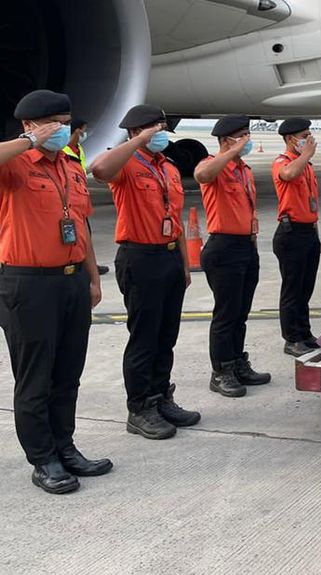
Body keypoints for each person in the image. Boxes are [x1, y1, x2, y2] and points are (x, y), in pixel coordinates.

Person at [0, 89, 110, 494]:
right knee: (35, 378)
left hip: (71, 281)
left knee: (68, 374)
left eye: (66, 123)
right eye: (55, 123)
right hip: (27, 283)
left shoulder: (71, 166)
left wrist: (92, 277)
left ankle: (65, 447)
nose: (64, 130)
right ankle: (43, 458)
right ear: (30, 125)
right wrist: (30, 141)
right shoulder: (15, 165)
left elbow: (79, 224)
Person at [90, 104, 200, 439]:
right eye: (156, 129)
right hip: (139, 258)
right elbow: (99, 169)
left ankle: (160, 395)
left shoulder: (166, 166)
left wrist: (183, 263)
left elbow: (176, 218)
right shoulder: (126, 163)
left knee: (166, 335)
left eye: (164, 128)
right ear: (137, 132)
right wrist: (138, 142)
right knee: (144, 337)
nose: (162, 135)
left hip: (167, 257)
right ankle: (139, 407)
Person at [194, 114, 272, 398]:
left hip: (246, 247)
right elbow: (202, 176)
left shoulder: (244, 171)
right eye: (242, 136)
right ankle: (221, 370)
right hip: (223, 247)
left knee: (240, 312)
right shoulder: (213, 166)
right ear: (227, 140)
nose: (248, 140)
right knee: (226, 314)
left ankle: (238, 361)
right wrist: (230, 153)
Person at [271, 118, 321, 357]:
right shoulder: (284, 162)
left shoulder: (307, 165)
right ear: (291, 139)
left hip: (309, 231)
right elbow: (288, 174)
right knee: (292, 289)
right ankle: (291, 338)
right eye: (304, 135)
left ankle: (304, 332)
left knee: (305, 287)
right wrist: (306, 154)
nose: (308, 139)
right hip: (291, 233)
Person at [63, 118, 111, 276]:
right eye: (83, 130)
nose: (84, 133)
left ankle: (88, 264)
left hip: (80, 197)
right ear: (76, 130)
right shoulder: (62, 150)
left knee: (85, 234)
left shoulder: (78, 149)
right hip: (67, 200)